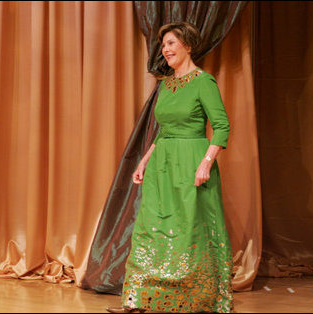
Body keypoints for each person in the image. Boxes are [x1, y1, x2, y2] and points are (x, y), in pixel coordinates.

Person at [106, 21, 234, 313]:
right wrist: (144, 160)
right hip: (162, 163)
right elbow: (163, 130)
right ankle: (138, 301)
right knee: (153, 228)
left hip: (191, 161)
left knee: (189, 230)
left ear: (188, 45)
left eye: (171, 43)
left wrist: (205, 163)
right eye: (163, 45)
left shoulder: (204, 81)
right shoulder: (166, 85)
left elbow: (222, 127)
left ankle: (196, 301)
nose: (165, 50)